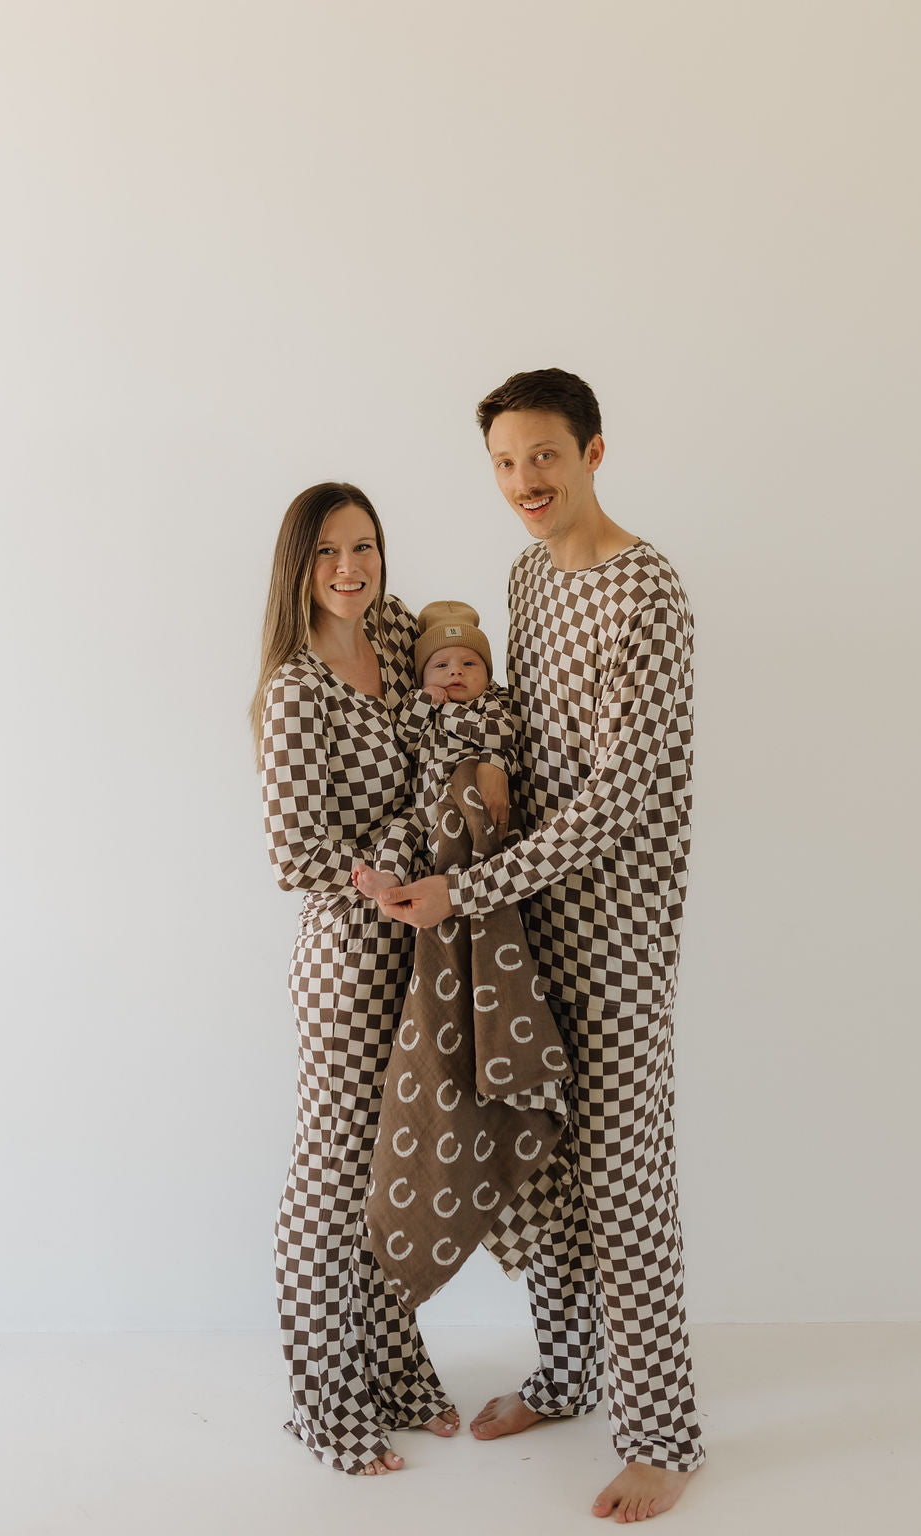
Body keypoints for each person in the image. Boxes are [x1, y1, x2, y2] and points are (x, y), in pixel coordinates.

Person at [378, 371, 705, 1523]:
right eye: (507, 462)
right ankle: (568, 1374)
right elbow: (510, 742)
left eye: (546, 457)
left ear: (595, 451)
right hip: (525, 927)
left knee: (624, 1179)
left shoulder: (645, 591)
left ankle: (663, 1438)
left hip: (612, 932)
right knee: (547, 1170)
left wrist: (462, 886)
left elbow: (619, 800)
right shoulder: (523, 577)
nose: (524, 481)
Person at [252, 481, 466, 1476]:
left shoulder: (386, 635)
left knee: (395, 1181)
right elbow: (297, 853)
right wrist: (398, 854)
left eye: (365, 546)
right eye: (329, 552)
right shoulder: (297, 687)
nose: (350, 568)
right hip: (347, 965)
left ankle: (392, 1367)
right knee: (331, 1185)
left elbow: (451, 661)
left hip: (417, 954)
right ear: (299, 567)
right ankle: (325, 1404)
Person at [352, 599, 517, 902]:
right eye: (442, 665)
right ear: (423, 676)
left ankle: (463, 892)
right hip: (420, 809)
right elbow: (404, 739)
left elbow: (503, 734)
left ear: (487, 674)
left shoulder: (486, 703)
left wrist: (453, 716)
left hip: (460, 805)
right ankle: (388, 878)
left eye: (469, 664)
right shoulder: (421, 704)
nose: (456, 672)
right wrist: (423, 702)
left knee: (467, 851)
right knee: (398, 831)